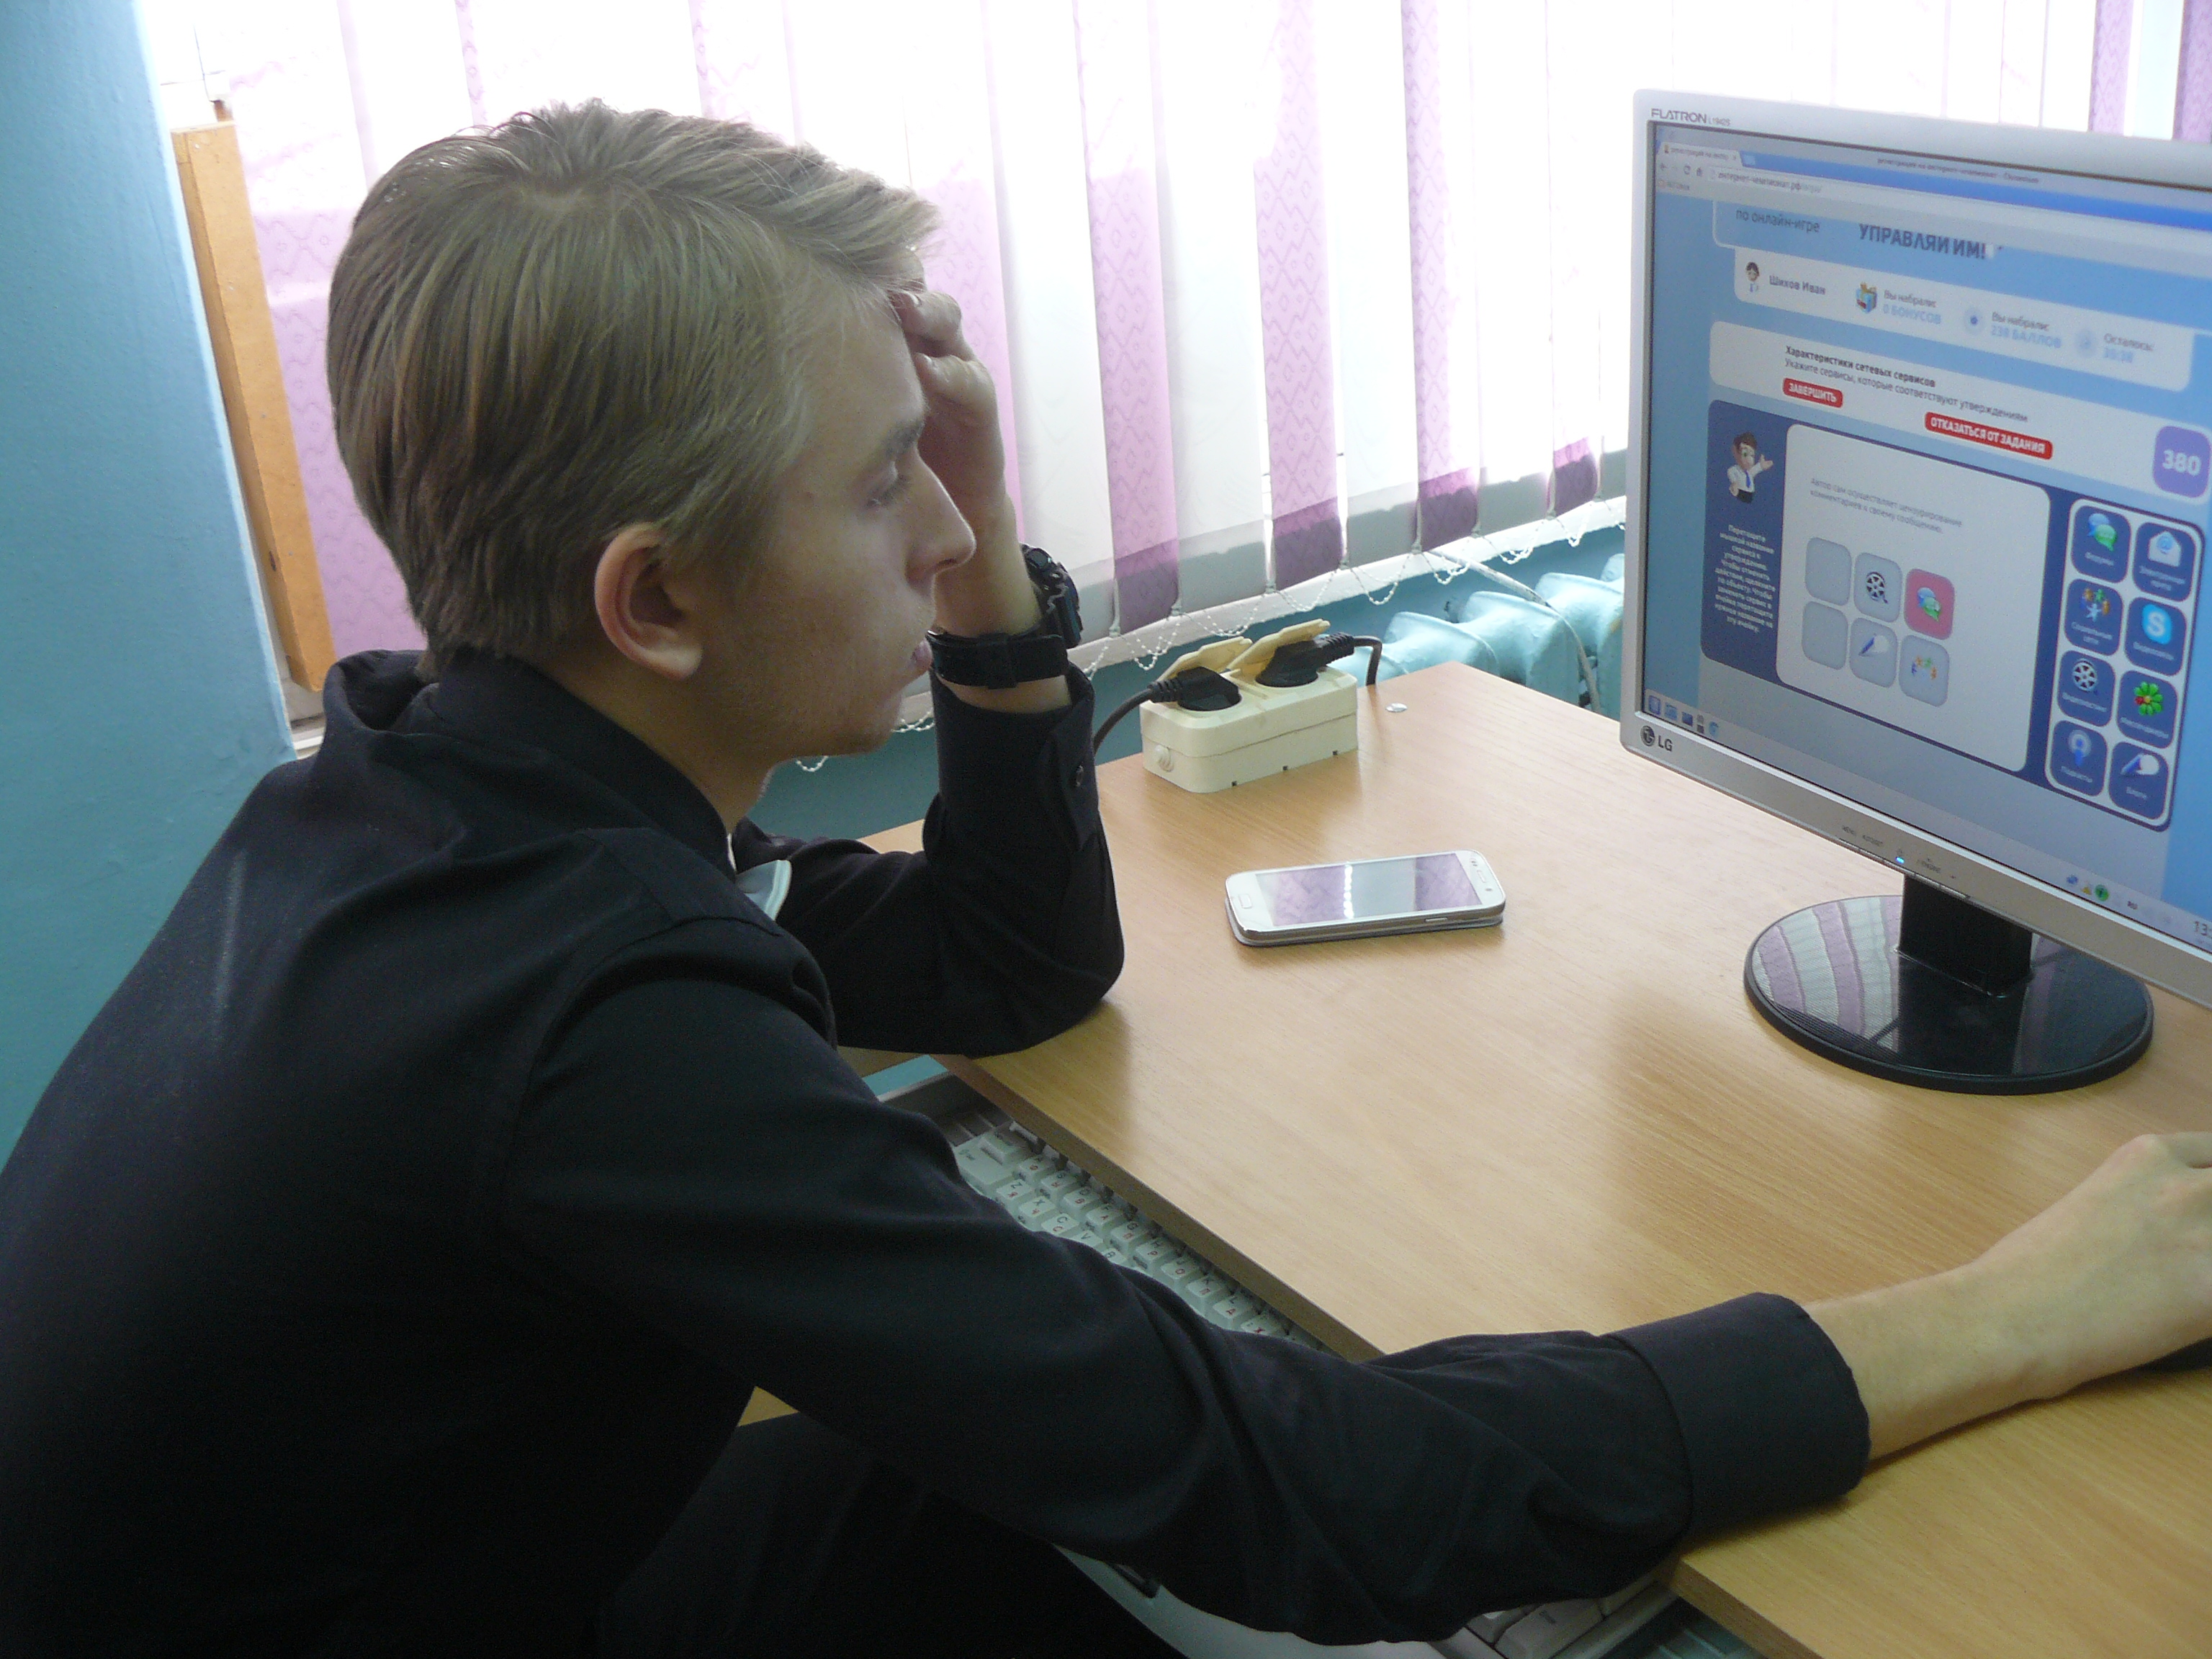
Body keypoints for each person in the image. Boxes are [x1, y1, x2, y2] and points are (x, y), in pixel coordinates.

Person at [2, 102, 2208, 1659]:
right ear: (654, 599)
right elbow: (1291, 1495)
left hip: (401, 1576)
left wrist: (972, 581)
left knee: (980, 1501)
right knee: (1232, 1515)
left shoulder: (452, 782)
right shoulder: (586, 1026)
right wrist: (1998, 1315)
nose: (955, 532)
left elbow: (1005, 968)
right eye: (888, 485)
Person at [1727, 432, 1773, 500]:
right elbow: (1731, 473)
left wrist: (1761, 466)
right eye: (1745, 454)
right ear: (1737, 454)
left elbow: (1754, 471)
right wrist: (1734, 483)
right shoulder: (1735, 470)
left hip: (1750, 495)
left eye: (1752, 456)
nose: (1749, 460)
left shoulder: (1748, 473)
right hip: (1741, 493)